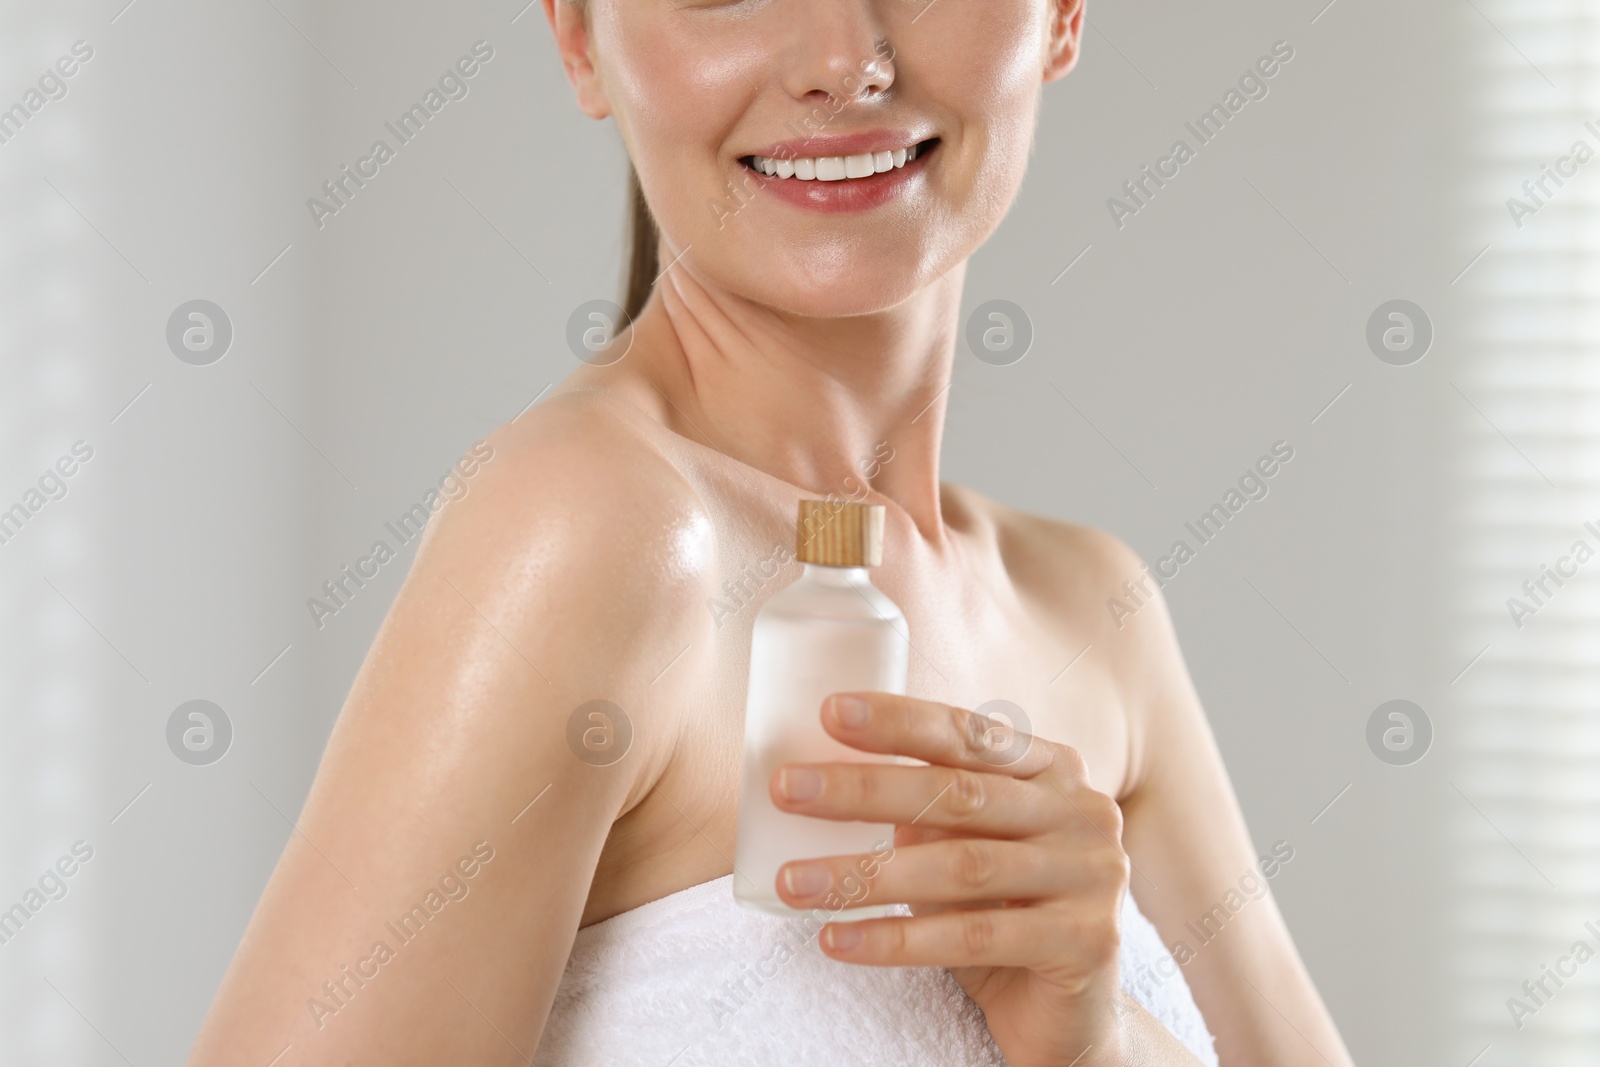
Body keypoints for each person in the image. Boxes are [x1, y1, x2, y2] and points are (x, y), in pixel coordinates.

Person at [188, 1, 1355, 1063]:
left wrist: (1090, 1043)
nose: (845, 61)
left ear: (1061, 15)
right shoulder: (593, 529)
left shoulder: (1093, 609)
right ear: (579, 39)